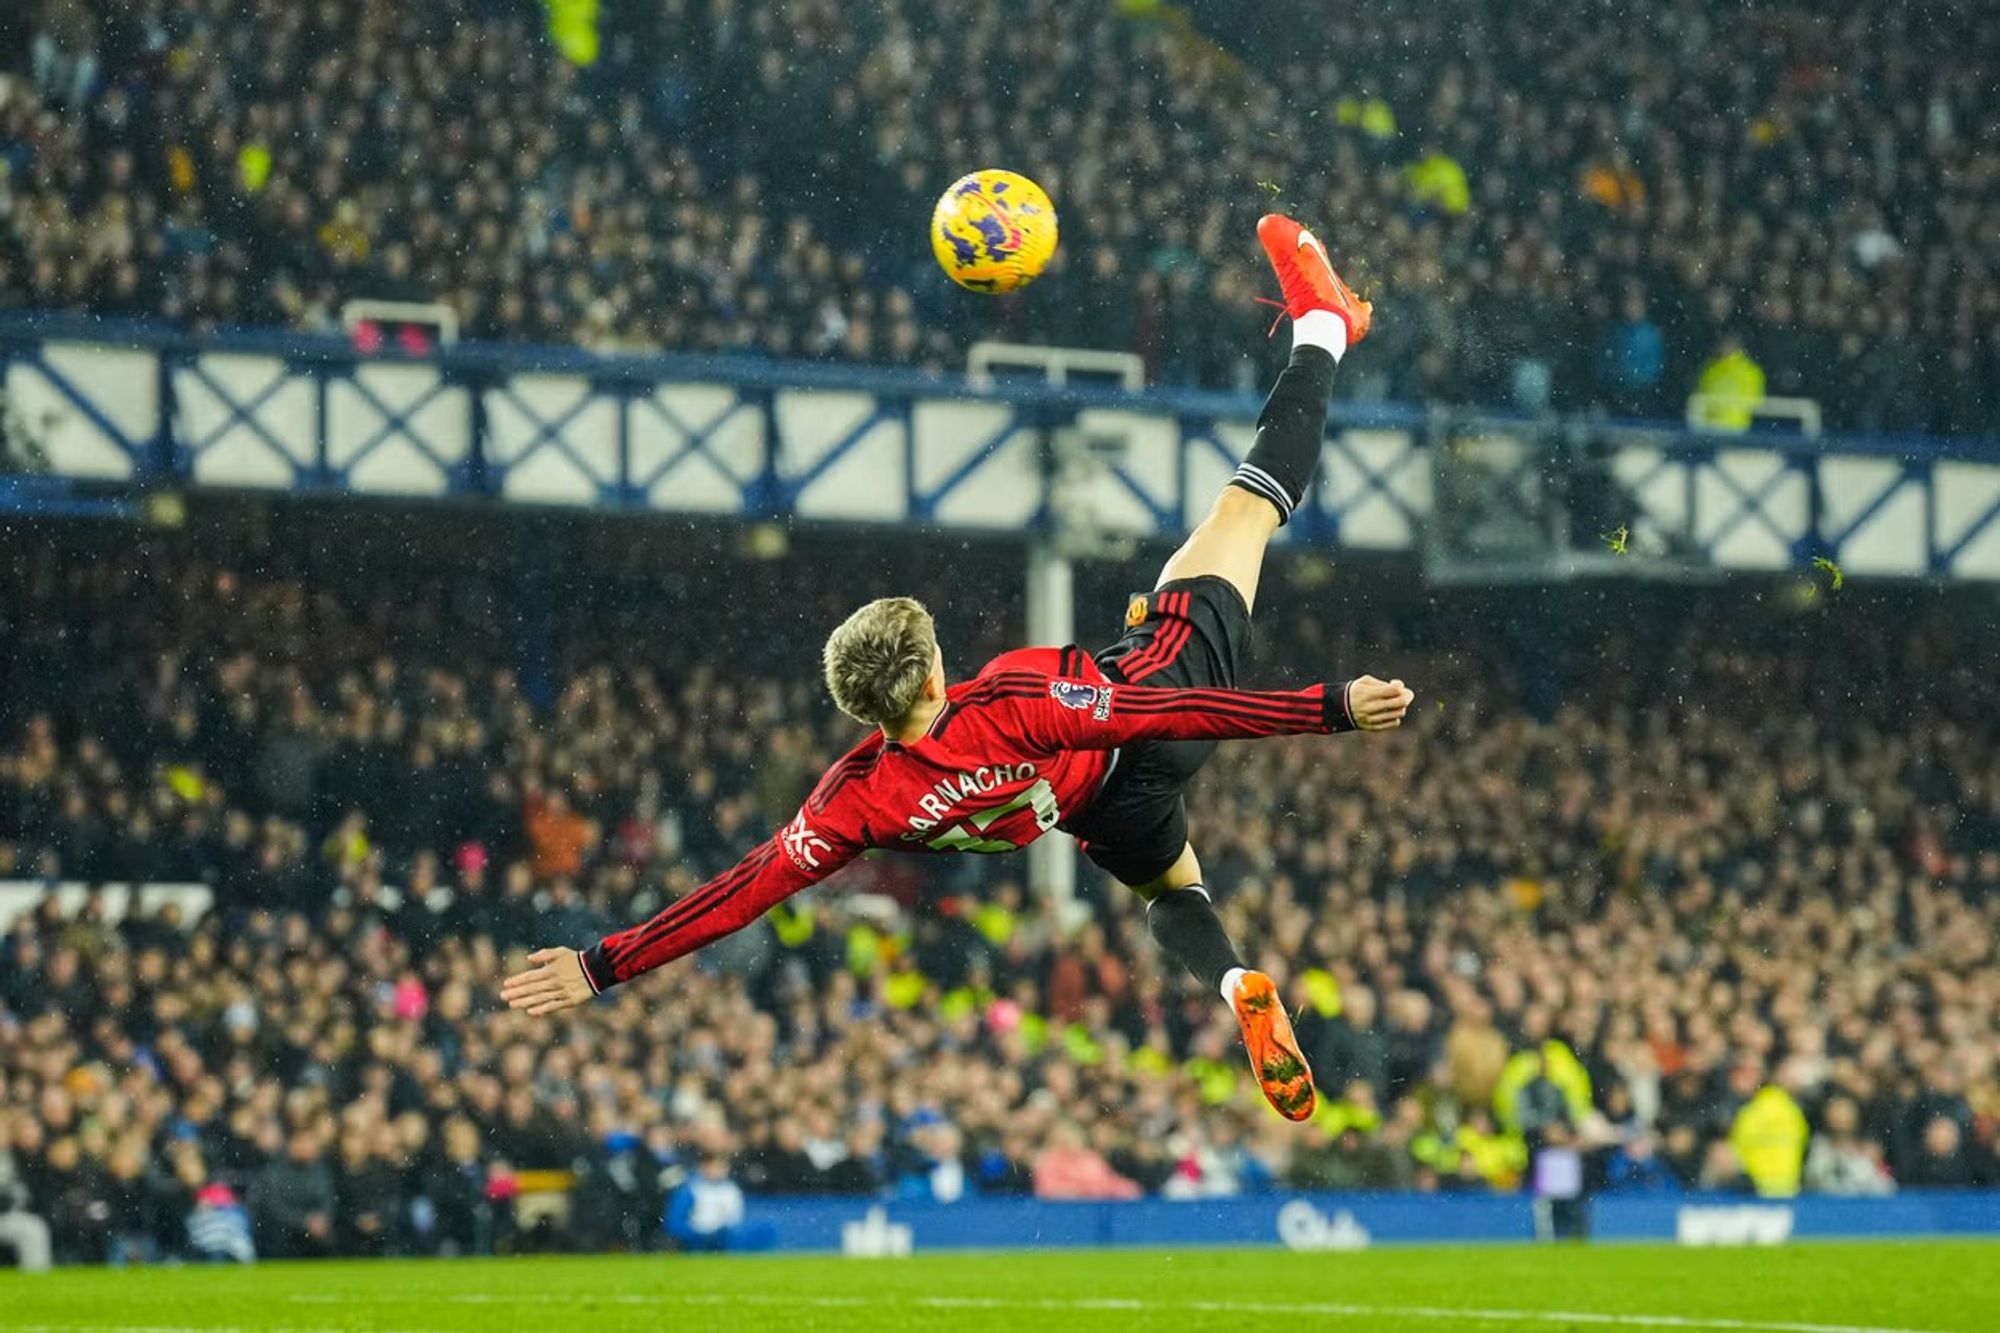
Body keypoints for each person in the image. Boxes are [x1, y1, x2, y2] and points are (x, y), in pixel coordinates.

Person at [502, 213, 1412, 1122]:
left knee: (1173, 888)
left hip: (1097, 813)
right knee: (1244, 512)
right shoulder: (1010, 697)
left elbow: (739, 893)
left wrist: (600, 964)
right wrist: (1330, 706)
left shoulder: (855, 799)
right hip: (1149, 708)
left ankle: (1233, 979)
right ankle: (1322, 327)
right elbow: (1152, 718)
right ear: (936, 674)